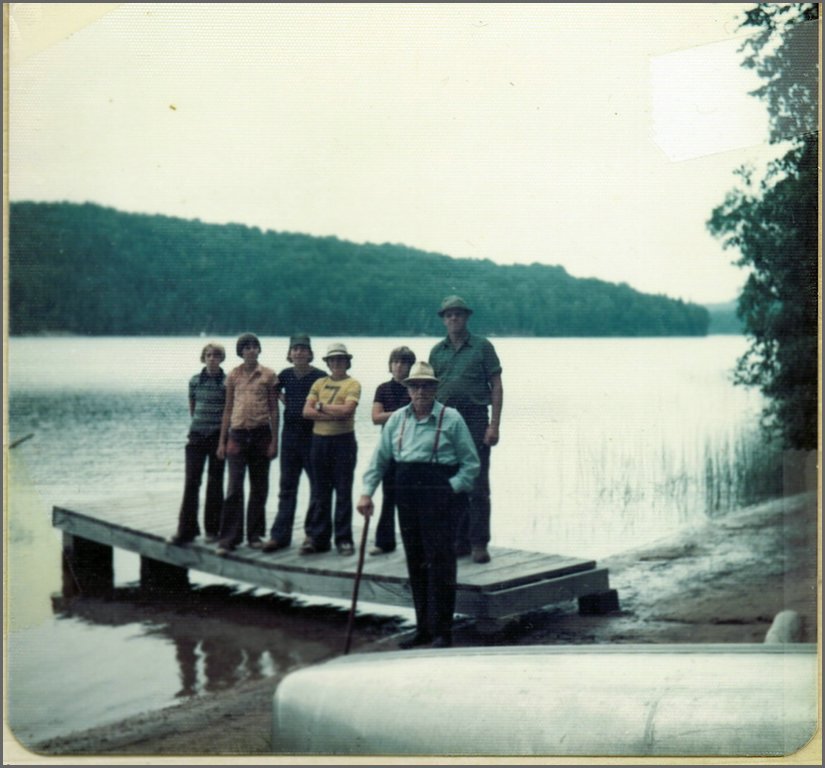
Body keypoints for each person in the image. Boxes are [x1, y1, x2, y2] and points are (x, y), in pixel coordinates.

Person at [357, 361, 480, 649]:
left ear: (435, 388)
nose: (421, 391)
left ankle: (442, 632)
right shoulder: (397, 419)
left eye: (426, 386)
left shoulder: (451, 418)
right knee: (416, 560)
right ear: (408, 390)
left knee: (440, 562)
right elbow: (379, 459)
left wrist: (450, 489)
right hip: (406, 490)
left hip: (440, 490)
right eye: (415, 386)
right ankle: (423, 628)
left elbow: (471, 464)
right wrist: (366, 493)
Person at [429, 295, 503, 564]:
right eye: (448, 315)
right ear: (443, 319)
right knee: (450, 482)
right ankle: (457, 540)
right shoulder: (437, 352)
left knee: (477, 484)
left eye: (458, 314)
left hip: (475, 420)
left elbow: (496, 386)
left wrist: (493, 425)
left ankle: (479, 543)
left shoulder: (482, 347)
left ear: (466, 317)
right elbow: (430, 390)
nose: (453, 319)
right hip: (445, 421)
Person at [215, 333, 279, 556]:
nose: (251, 350)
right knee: (234, 488)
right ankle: (229, 538)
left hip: (261, 435)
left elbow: (274, 409)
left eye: (254, 347)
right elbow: (228, 408)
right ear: (240, 352)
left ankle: (254, 535)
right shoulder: (233, 375)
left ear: (259, 350)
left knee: (259, 487)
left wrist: (274, 441)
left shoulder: (269, 375)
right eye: (246, 347)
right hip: (237, 435)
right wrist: (222, 441)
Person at [262, 334, 326, 553]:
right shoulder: (285, 375)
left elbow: (325, 401)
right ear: (289, 353)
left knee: (317, 487)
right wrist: (286, 401)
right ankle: (280, 536)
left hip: (313, 436)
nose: (299, 352)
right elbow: (273, 391)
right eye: (295, 349)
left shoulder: (320, 376)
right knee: (287, 487)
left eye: (303, 349)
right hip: (289, 436)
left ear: (310, 353)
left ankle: (312, 535)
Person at [300, 342, 361, 556]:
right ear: (327, 363)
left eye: (340, 359)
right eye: (333, 360)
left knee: (343, 491)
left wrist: (321, 406)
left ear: (347, 362)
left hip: (344, 442)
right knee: (320, 491)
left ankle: (344, 539)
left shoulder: (353, 384)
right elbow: (306, 412)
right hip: (319, 441)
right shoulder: (319, 383)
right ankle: (319, 538)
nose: (337, 363)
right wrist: (330, 411)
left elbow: (347, 411)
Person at [169, 342, 227, 546]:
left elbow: (228, 412)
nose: (212, 358)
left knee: (215, 483)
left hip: (217, 437)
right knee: (192, 482)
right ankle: (187, 530)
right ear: (203, 358)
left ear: (222, 358)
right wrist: (199, 427)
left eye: (216, 355)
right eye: (208, 355)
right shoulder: (194, 381)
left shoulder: (228, 382)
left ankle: (213, 530)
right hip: (196, 437)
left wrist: (222, 440)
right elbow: (193, 408)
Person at [369, 345, 416, 556]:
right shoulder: (382, 389)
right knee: (388, 495)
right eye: (396, 362)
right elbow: (375, 417)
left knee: (411, 499)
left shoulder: (416, 388)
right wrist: (401, 413)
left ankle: (413, 543)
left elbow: (419, 416)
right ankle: (384, 541)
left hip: (412, 448)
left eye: (404, 362)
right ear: (390, 365)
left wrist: (392, 414)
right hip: (388, 448)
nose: (399, 366)